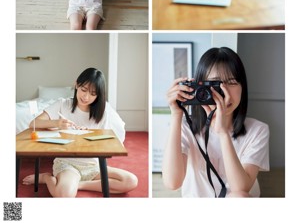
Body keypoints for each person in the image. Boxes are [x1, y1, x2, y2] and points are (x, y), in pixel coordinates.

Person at [162, 47, 269, 197]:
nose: (224, 92)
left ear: (242, 87)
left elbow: (241, 188)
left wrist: (223, 133)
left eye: (231, 82)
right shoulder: (186, 126)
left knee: (239, 196)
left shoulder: (258, 130)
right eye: (215, 83)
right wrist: (176, 115)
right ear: (200, 87)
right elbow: (172, 182)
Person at [22, 68, 138, 197]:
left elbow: (113, 137)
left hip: (94, 165)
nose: (86, 97)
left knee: (130, 181)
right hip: (68, 164)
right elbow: (33, 124)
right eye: (83, 90)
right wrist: (56, 123)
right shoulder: (62, 104)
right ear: (77, 84)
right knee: (64, 195)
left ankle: (79, 185)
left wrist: (92, 133)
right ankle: (47, 178)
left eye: (93, 94)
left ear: (99, 95)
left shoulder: (104, 111)